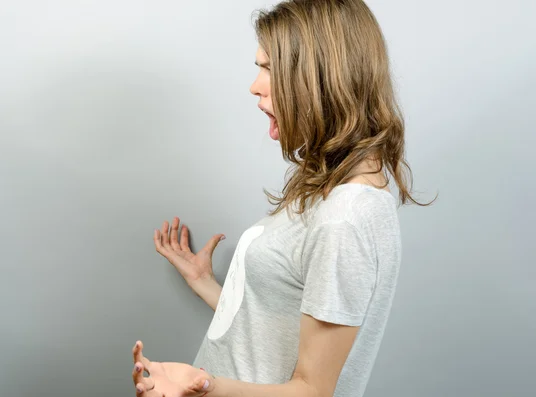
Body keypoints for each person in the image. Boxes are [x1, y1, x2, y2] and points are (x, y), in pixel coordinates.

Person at [132, 0, 430, 396]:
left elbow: (312, 390)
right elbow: (279, 326)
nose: (254, 85)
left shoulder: (345, 218)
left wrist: (204, 387)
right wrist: (205, 282)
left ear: (322, 76)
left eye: (269, 69)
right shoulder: (332, 189)